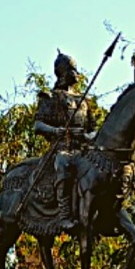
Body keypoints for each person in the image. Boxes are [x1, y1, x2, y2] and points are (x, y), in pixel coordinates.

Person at [33, 50, 96, 232]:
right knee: (63, 163)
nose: (77, 74)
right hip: (62, 148)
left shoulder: (84, 100)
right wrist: (58, 131)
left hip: (83, 148)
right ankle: (64, 215)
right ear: (63, 72)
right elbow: (38, 125)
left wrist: (86, 136)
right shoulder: (50, 97)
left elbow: (93, 129)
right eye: (74, 70)